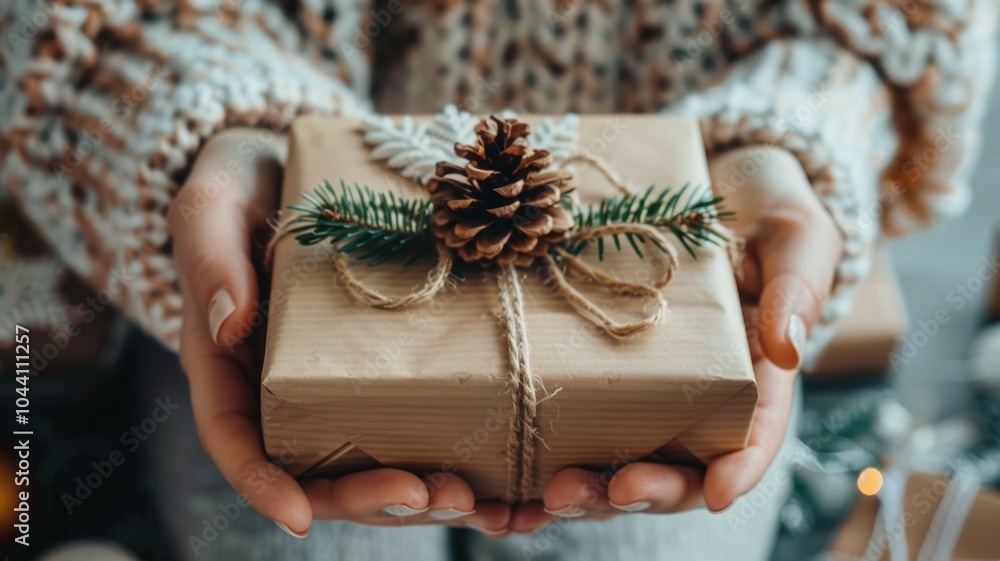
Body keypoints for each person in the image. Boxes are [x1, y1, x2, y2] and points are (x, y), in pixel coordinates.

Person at [1, 0, 994, 559]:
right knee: (308, 536)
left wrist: (792, 136)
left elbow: (879, 27)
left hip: (685, 257)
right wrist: (206, 129)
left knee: (653, 539)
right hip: (284, 259)